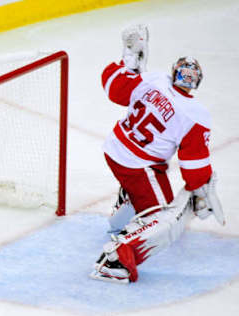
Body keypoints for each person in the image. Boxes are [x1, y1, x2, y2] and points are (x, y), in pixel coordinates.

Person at [90, 24, 225, 284]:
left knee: (155, 200)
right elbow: (194, 168)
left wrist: (127, 62)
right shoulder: (196, 115)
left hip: (115, 147)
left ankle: (126, 206)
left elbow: (113, 88)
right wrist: (201, 189)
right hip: (138, 166)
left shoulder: (154, 79)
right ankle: (116, 259)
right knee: (165, 218)